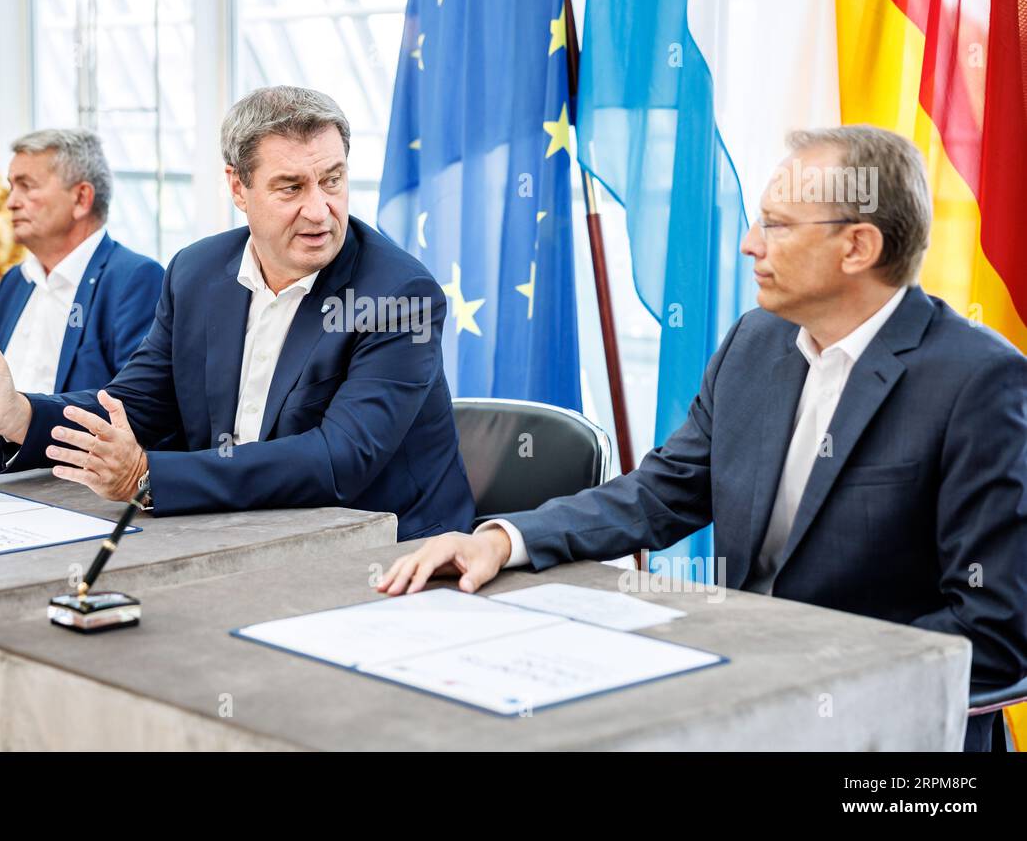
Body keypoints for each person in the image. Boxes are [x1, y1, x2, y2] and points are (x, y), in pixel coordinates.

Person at [379, 125, 1027, 750]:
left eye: (776, 224)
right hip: (739, 695)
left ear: (857, 247)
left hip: (883, 729)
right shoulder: (757, 341)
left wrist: (798, 678)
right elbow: (661, 493)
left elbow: (995, 631)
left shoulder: (978, 382)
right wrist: (504, 538)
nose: (750, 243)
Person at [0, 85, 475, 541]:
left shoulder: (401, 295)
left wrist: (149, 478)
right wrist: (18, 416)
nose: (320, 210)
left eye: (333, 180)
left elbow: (338, 460)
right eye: (291, 187)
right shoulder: (197, 273)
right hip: (234, 527)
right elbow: (137, 406)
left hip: (383, 547)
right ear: (237, 188)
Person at [0, 128, 164, 394]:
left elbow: (137, 403)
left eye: (27, 186)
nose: (11, 202)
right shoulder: (15, 281)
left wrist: (27, 418)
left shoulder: (135, 279)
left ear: (81, 198)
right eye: (11, 187)